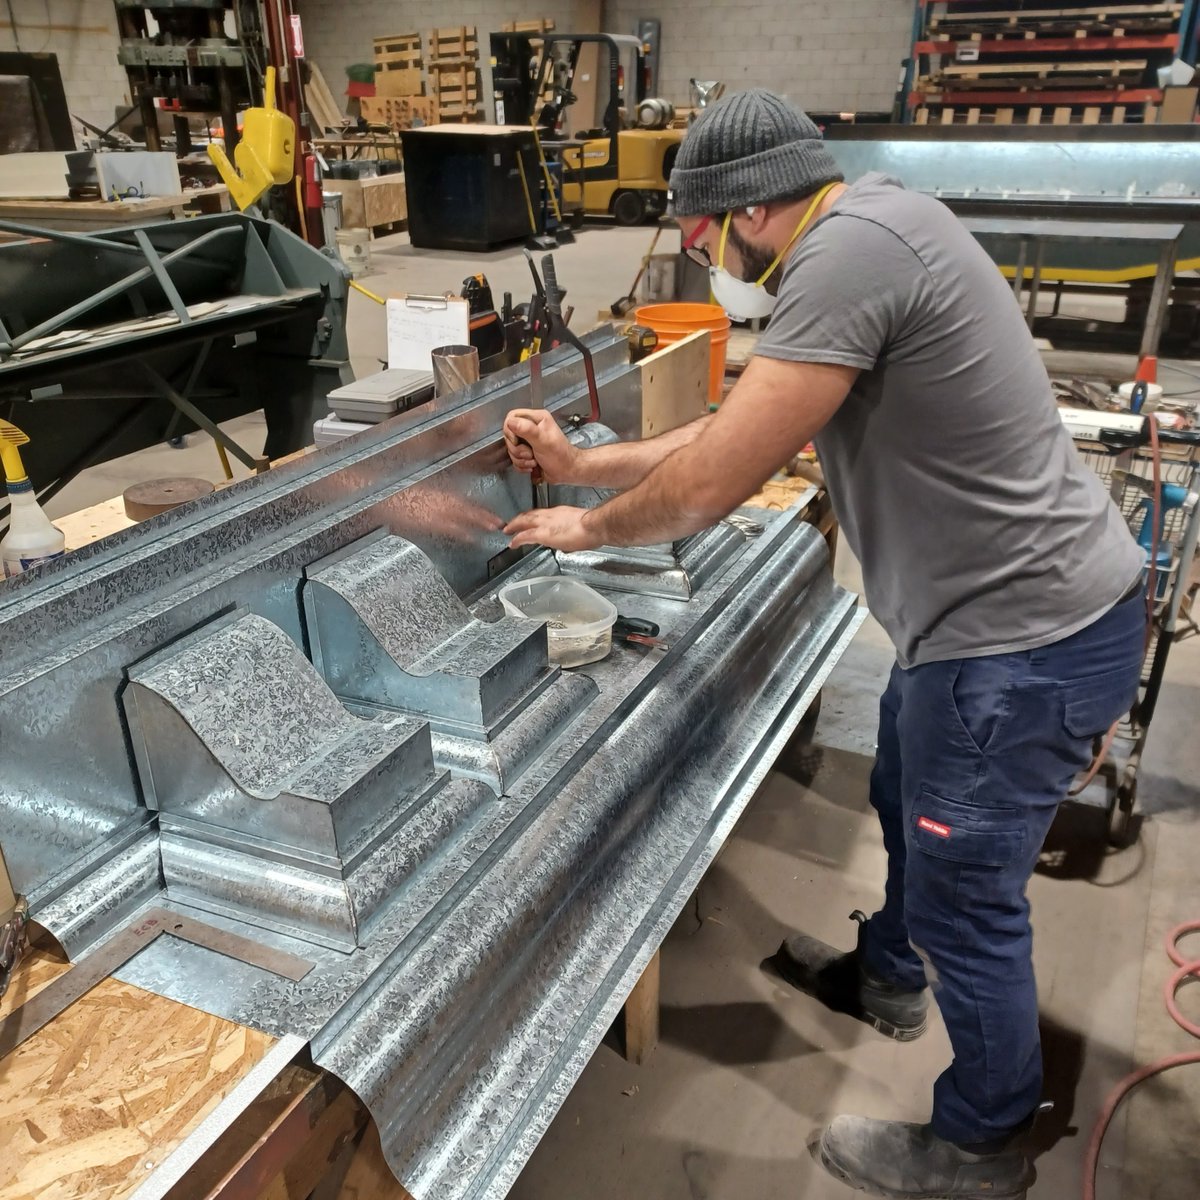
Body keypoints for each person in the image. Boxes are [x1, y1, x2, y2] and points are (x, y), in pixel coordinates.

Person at [501, 89, 1146, 1200]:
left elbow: (712, 481)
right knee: (903, 790)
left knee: (967, 904)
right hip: (974, 635)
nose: (696, 251)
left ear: (752, 210)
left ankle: (982, 1141)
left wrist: (590, 529)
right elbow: (739, 421)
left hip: (1020, 645)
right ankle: (888, 975)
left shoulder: (847, 259)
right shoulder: (872, 224)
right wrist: (583, 464)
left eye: (699, 231)